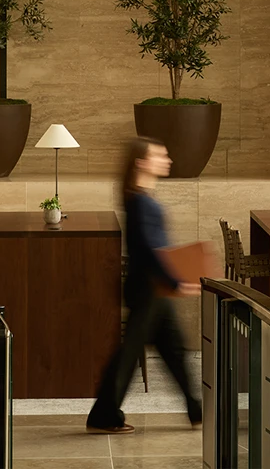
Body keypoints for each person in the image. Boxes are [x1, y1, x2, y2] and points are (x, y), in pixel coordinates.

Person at [86, 136, 202, 434]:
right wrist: (176, 281)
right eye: (160, 155)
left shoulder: (139, 199)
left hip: (150, 289)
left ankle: (196, 409)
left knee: (173, 349)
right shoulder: (142, 203)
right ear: (142, 162)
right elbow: (151, 249)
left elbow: (153, 248)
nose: (168, 160)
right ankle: (104, 415)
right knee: (129, 356)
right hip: (148, 290)